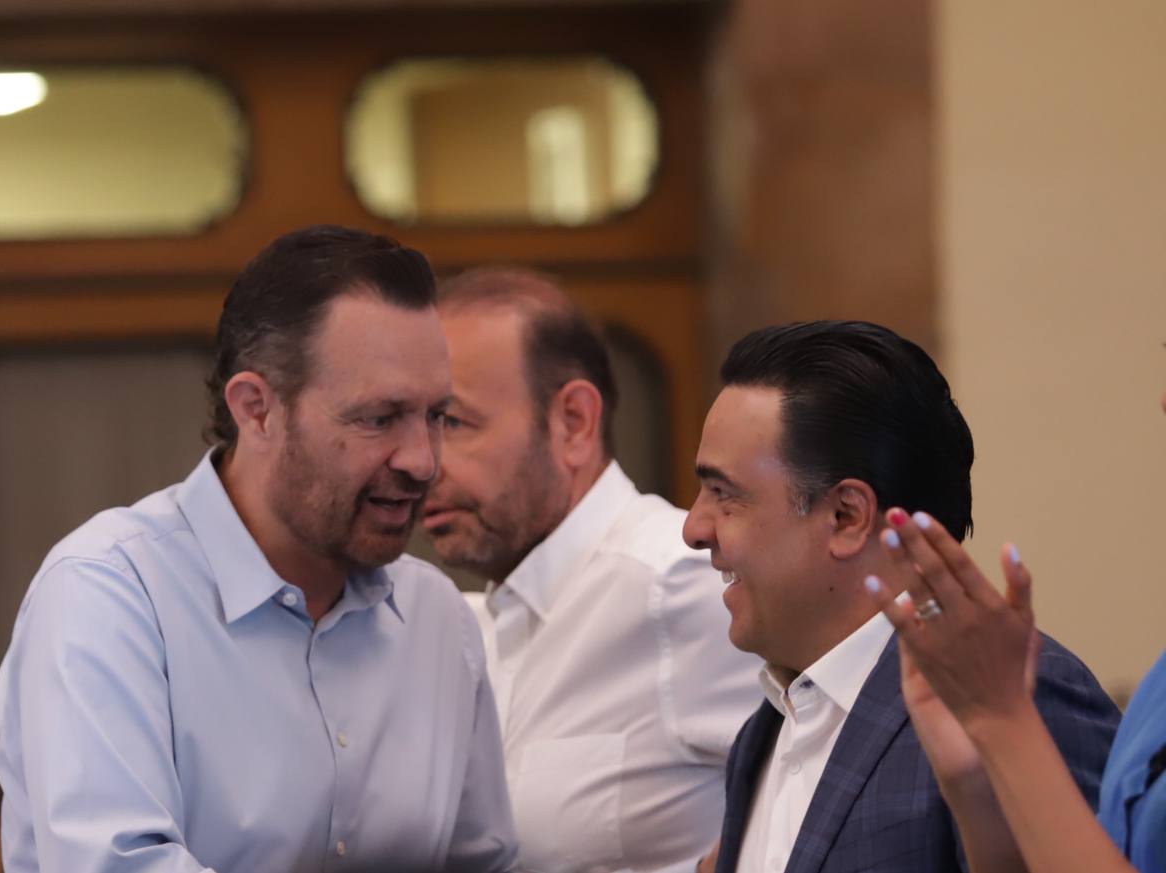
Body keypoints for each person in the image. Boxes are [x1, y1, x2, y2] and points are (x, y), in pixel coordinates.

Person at [0, 226, 518, 873]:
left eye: (437, 416)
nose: (423, 460)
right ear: (256, 409)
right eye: (379, 418)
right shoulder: (108, 597)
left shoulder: (439, 620)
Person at [682, 320, 1122, 873]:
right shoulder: (769, 728)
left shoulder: (1015, 697)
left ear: (847, 516)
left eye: (724, 494)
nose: (693, 528)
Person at [422, 267, 763, 872]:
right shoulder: (466, 628)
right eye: (411, 424)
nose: (421, 463)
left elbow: (828, 814)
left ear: (573, 422)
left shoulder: (684, 586)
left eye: (452, 422)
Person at [862, 388, 1166, 871]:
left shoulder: (1050, 683)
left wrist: (1002, 721)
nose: (1164, 399)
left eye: (736, 499)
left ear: (848, 514)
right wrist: (974, 789)